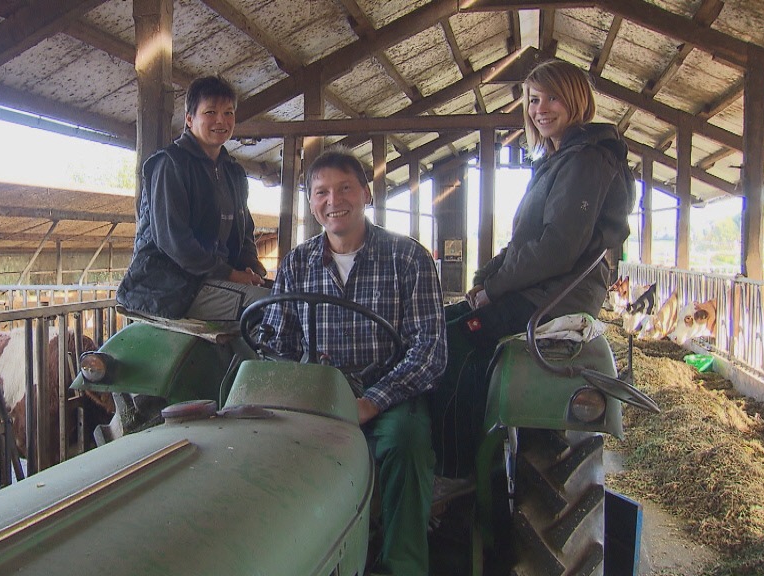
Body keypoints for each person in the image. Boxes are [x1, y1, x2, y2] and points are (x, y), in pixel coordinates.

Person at [433, 58, 636, 477]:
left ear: (577, 99)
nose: (540, 109)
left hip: (554, 297)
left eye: (552, 97)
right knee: (446, 321)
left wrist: (494, 289)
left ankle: (455, 470)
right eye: (533, 99)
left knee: (449, 343)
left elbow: (556, 248)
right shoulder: (560, 160)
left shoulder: (586, 160)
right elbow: (523, 243)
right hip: (542, 289)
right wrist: (484, 279)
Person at [262, 148, 447, 576]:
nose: (333, 200)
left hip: (389, 395)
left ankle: (403, 564)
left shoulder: (408, 258)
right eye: (321, 192)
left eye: (344, 188)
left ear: (365, 193)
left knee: (405, 442)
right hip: (318, 394)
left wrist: (372, 402)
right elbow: (279, 341)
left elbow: (429, 351)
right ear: (311, 203)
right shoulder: (297, 262)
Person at [117, 75, 268, 328]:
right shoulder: (170, 164)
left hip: (209, 281)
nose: (221, 120)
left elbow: (244, 237)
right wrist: (231, 274)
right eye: (210, 112)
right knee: (271, 307)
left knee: (286, 296)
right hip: (169, 287)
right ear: (189, 119)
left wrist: (254, 272)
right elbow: (175, 242)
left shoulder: (233, 173)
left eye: (228, 113)